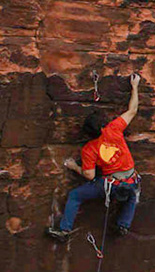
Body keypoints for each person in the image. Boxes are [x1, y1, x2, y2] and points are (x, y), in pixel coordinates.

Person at [48, 75, 145, 241]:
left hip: (111, 185)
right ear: (101, 127)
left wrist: (73, 166)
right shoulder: (113, 129)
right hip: (131, 180)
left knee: (75, 195)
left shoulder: (89, 149)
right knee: (132, 193)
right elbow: (132, 110)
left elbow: (89, 175)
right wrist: (135, 86)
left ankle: (64, 230)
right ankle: (123, 224)